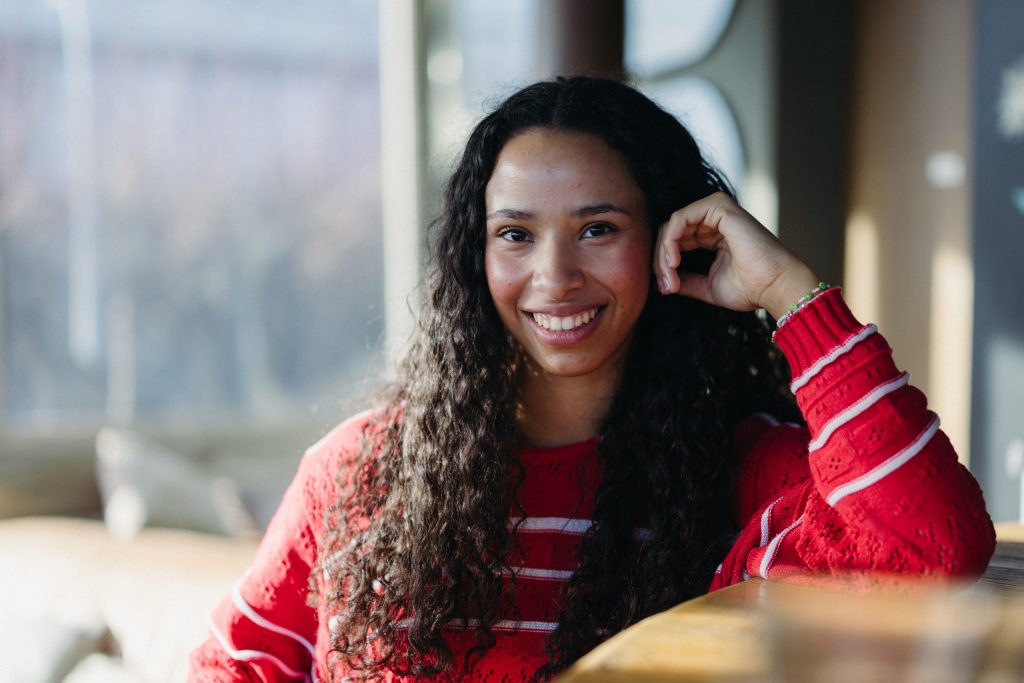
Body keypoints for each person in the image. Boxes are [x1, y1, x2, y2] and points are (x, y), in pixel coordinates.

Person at [188, 77, 996, 682]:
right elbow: (231, 668)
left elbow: (930, 548)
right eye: (515, 234)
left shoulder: (742, 473)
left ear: (671, 240)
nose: (555, 276)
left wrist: (790, 292)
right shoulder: (358, 471)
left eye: (598, 228)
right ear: (475, 255)